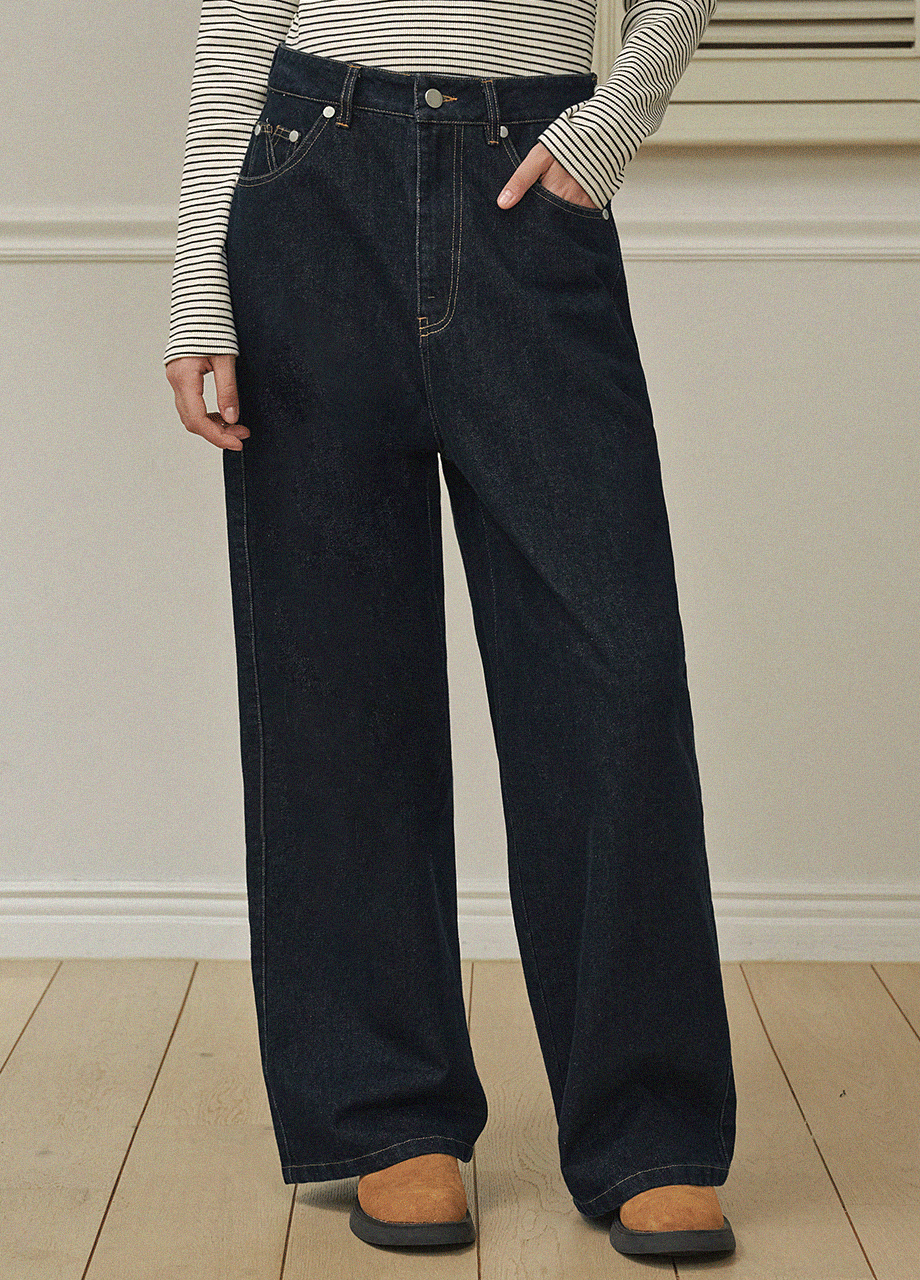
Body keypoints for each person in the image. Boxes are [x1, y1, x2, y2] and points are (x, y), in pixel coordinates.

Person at [164, 0, 737, 1259]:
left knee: (615, 668)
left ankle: (647, 1125)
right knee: (336, 680)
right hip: (309, 170)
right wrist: (199, 276)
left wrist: (613, 120)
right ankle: (387, 1115)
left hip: (526, 173)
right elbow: (239, 17)